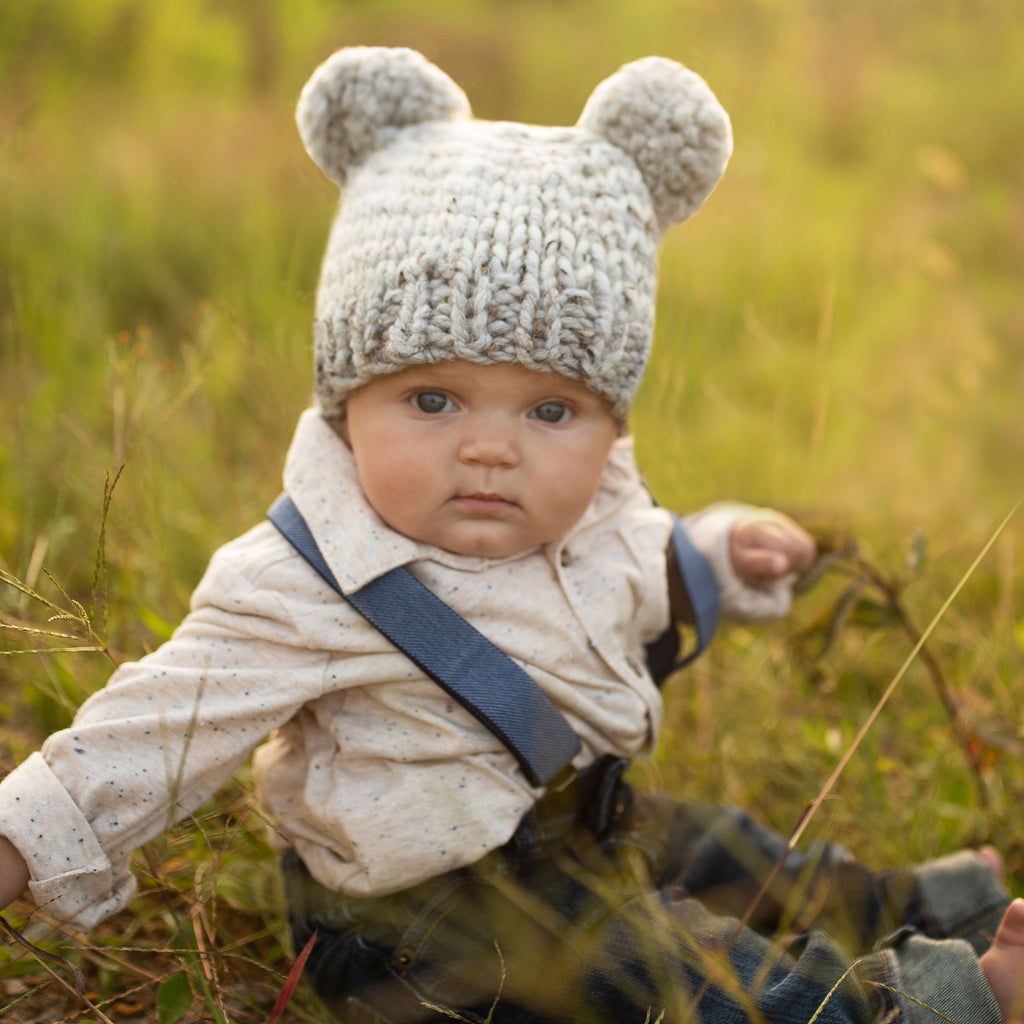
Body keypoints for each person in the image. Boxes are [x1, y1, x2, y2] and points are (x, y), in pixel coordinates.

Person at [0, 45, 1021, 1024]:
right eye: (434, 399)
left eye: (547, 413)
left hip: (568, 830)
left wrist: (722, 549)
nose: (491, 450)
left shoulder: (589, 514)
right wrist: (17, 837)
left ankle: (913, 904)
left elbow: (645, 564)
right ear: (346, 400)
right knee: (671, 973)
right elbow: (153, 729)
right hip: (418, 925)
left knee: (721, 846)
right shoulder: (304, 581)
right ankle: (924, 1004)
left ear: (610, 420)